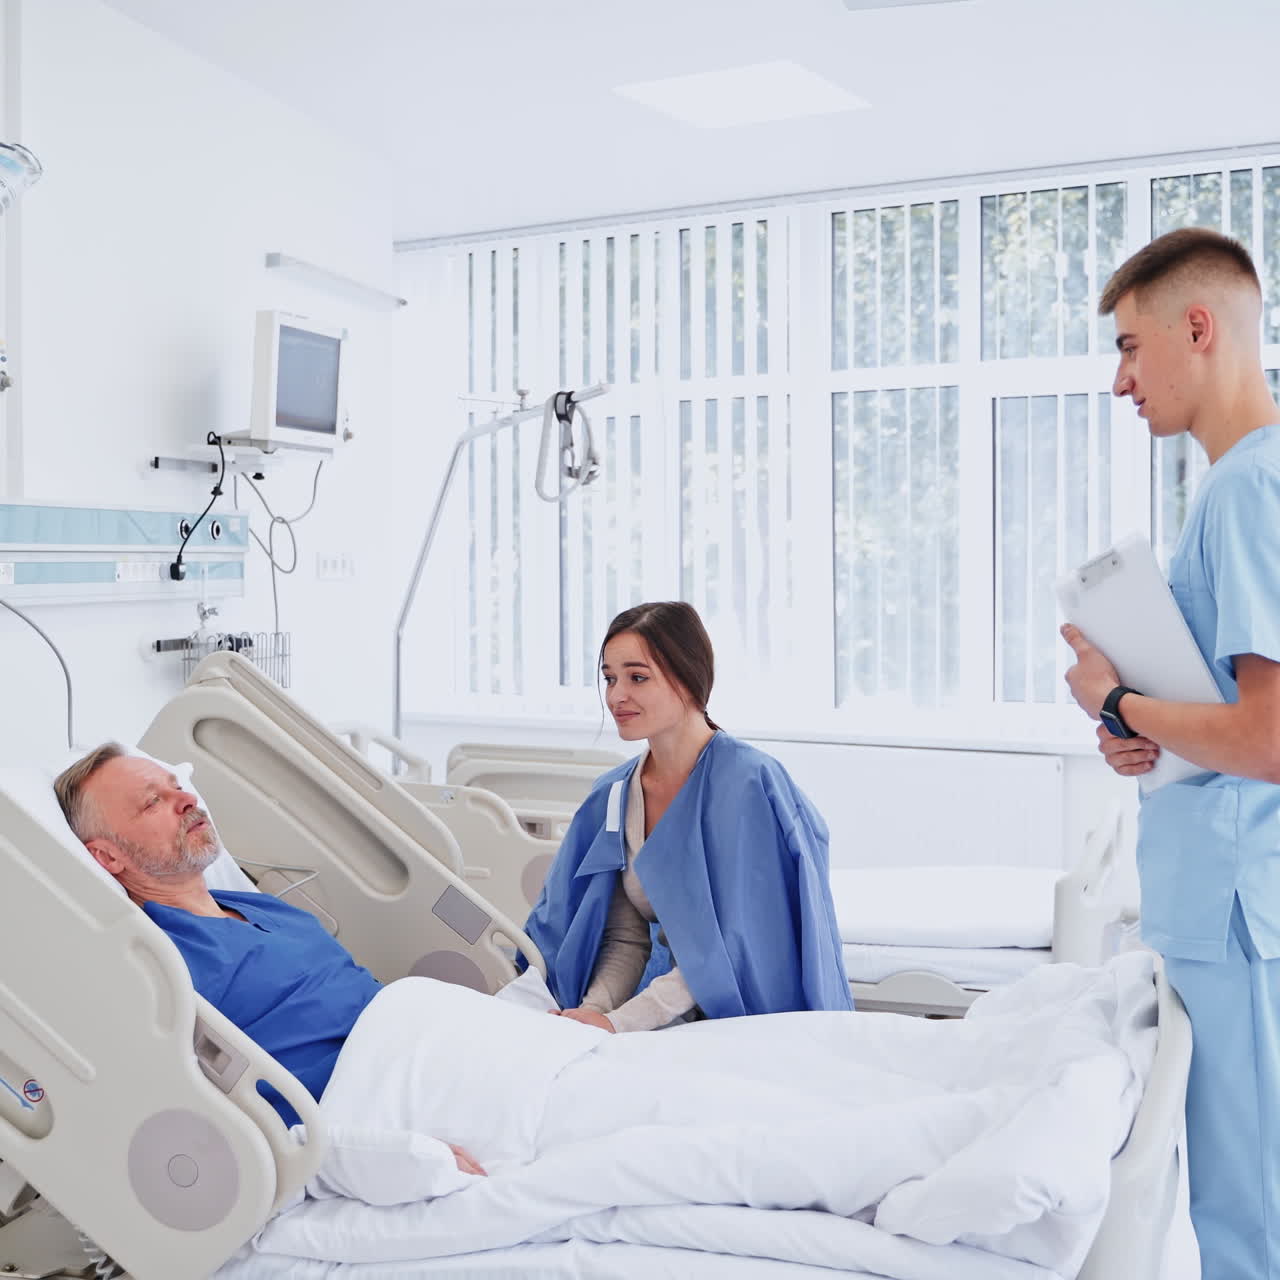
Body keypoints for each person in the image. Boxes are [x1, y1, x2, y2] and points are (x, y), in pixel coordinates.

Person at [1062, 226, 1280, 1279]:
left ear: (1197, 329)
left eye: (1128, 347)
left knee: (1250, 1216)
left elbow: (1267, 736)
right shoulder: (1241, 488)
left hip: (1240, 910)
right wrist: (1137, 727)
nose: (1118, 380)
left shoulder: (1246, 489)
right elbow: (1225, 718)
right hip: (1230, 901)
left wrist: (1115, 695)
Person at [52, 743, 486, 1175]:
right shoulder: (163, 963)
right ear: (109, 856)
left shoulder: (257, 905)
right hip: (383, 1107)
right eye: (153, 802)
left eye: (177, 786)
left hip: (437, 1052)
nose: (187, 800)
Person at [524, 601, 853, 1032]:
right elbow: (624, 936)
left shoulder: (750, 786)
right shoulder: (617, 795)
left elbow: (729, 950)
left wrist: (619, 1024)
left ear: (688, 677)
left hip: (753, 1018)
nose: (616, 695)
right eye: (609, 678)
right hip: (665, 1012)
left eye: (637, 677)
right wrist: (593, 1012)